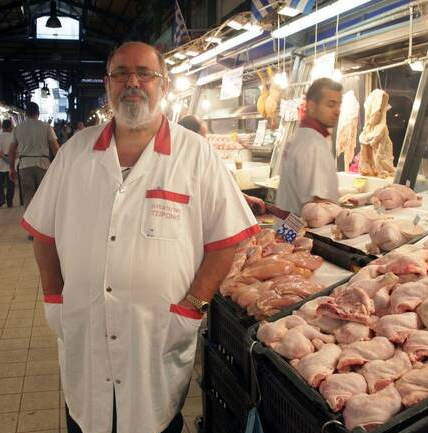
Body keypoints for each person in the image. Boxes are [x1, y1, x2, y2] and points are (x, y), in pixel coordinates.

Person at [21, 41, 257, 433]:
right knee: (87, 421)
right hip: (85, 326)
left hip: (157, 334)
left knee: (155, 421)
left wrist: (193, 305)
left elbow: (224, 240)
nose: (133, 82)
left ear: (163, 84)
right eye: (121, 73)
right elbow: (43, 233)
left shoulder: (195, 154)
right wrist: (54, 298)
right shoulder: (74, 153)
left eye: (144, 73)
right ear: (107, 84)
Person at [276, 78, 342, 215]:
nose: (337, 111)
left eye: (339, 105)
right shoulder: (314, 144)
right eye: (331, 105)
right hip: (304, 230)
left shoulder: (301, 136)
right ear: (312, 106)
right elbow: (319, 205)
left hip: (288, 228)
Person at [176, 114, 267, 215]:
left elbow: (218, 185)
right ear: (190, 137)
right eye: (202, 138)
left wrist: (246, 198)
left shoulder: (196, 156)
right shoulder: (182, 162)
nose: (205, 143)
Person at [8, 102, 60, 206]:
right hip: (43, 165)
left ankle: (29, 220)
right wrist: (59, 166)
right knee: (44, 195)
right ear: (38, 113)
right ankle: (42, 220)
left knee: (28, 196)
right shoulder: (46, 127)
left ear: (26, 114)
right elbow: (56, 149)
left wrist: (11, 168)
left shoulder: (18, 128)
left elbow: (11, 150)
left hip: (25, 165)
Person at [0, 119, 15, 208]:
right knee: (11, 184)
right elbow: (17, 151)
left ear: (2, 127)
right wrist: (10, 158)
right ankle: (10, 201)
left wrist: (4, 158)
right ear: (11, 127)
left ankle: (1, 199)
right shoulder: (14, 136)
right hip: (11, 164)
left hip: (0, 165)